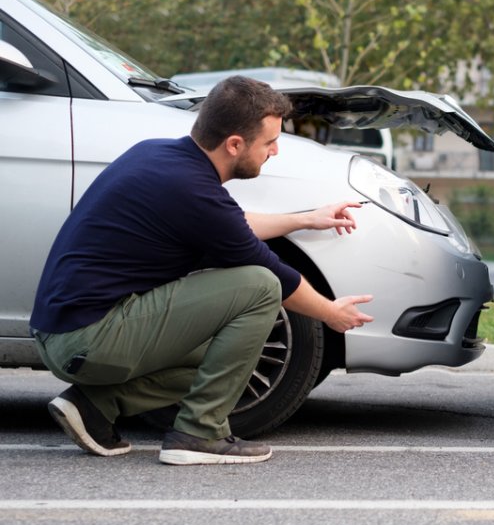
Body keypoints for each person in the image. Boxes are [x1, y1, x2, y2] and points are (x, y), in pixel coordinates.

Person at [29, 75, 374, 466]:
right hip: (88, 339)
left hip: (68, 333)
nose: (275, 151)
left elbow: (231, 222)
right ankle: (198, 433)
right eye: (269, 142)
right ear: (234, 145)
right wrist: (332, 314)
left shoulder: (158, 155)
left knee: (230, 355)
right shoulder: (192, 191)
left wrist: (306, 219)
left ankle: (94, 406)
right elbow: (274, 273)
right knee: (259, 285)